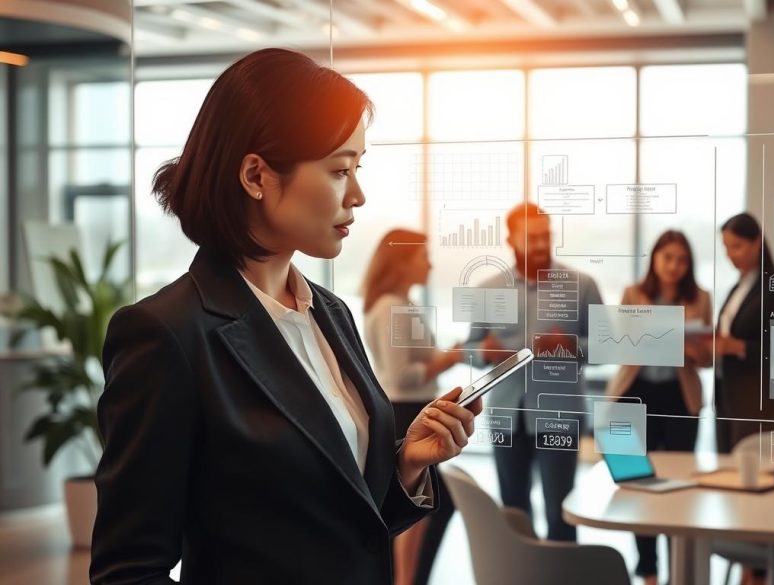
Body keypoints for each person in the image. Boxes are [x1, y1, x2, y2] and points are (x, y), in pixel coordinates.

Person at [90, 49, 482, 585]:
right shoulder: (166, 334)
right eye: (339, 170)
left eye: (357, 169)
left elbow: (344, 528)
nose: (358, 195)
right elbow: (128, 570)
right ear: (257, 175)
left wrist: (407, 462)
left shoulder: (332, 314)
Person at [463, 202, 603, 542]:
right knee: (513, 512)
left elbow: (606, 347)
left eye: (545, 236)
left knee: (561, 512)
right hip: (506, 414)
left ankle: (561, 572)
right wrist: (484, 352)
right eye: (531, 237)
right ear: (511, 239)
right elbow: (470, 347)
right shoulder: (487, 289)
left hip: (560, 413)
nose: (541, 244)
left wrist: (570, 345)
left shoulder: (582, 285)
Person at [605, 230, 712, 585]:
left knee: (679, 484)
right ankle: (648, 570)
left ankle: (677, 570)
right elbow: (620, 345)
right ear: (654, 259)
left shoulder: (700, 298)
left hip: (679, 397)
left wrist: (685, 345)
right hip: (634, 392)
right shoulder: (633, 293)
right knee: (635, 482)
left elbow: (708, 358)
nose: (674, 266)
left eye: (681, 260)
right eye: (668, 258)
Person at [362, 229, 463, 585]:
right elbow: (402, 376)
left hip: (412, 409)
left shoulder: (402, 306)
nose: (430, 264)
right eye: (424, 257)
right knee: (427, 504)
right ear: (402, 263)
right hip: (407, 413)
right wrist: (450, 360)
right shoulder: (392, 308)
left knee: (423, 505)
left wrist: (450, 356)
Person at [713, 213, 774, 453]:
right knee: (727, 467)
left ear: (757, 242)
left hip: (755, 401)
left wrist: (737, 347)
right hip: (726, 396)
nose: (730, 255)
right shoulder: (738, 287)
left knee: (752, 468)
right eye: (726, 247)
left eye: (737, 246)